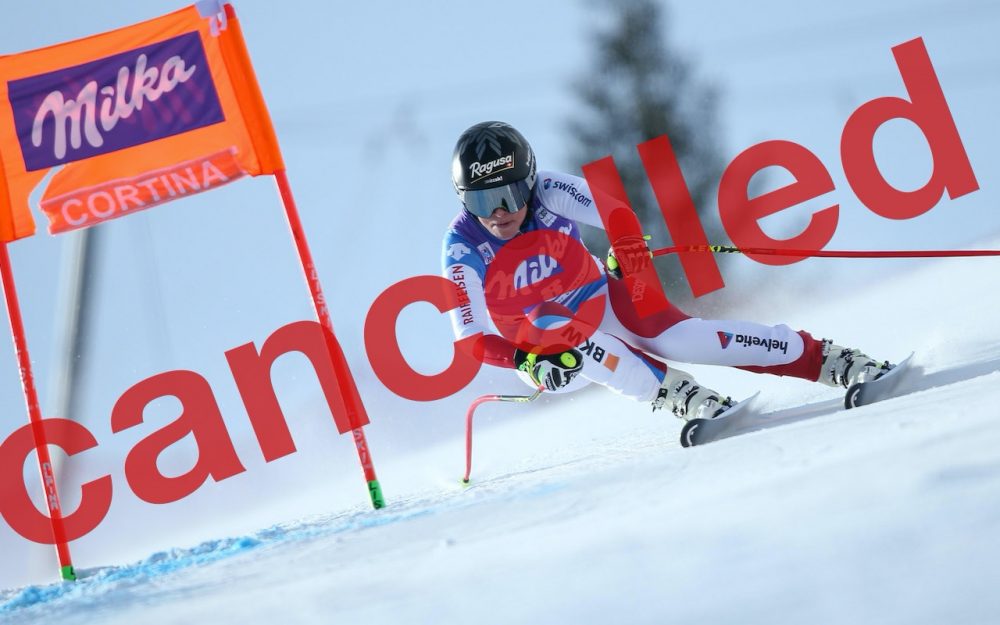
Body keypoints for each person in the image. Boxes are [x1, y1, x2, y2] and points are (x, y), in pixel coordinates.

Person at [442, 121, 894, 420]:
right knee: (550, 323)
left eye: (510, 194)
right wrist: (525, 362)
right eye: (482, 201)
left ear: (530, 181)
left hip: (599, 297)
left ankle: (833, 361)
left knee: (683, 339)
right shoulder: (462, 243)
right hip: (546, 353)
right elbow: (470, 340)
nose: (498, 213)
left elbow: (616, 213)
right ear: (464, 200)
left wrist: (628, 249)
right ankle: (679, 395)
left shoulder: (548, 190)